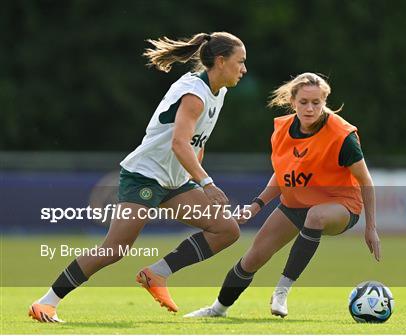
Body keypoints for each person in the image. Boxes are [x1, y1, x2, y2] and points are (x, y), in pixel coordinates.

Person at [29, 32, 248, 323]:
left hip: (174, 180)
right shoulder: (195, 93)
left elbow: (198, 142)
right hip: (145, 176)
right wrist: (207, 183)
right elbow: (179, 144)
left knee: (226, 230)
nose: (244, 69)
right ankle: (46, 303)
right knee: (114, 250)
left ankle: (157, 273)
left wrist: (194, 180)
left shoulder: (218, 92)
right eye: (240, 62)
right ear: (220, 61)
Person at [184, 72, 381, 319]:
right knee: (252, 258)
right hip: (295, 204)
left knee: (316, 216)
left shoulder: (342, 136)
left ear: (325, 101)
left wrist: (370, 227)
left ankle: (281, 291)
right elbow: (282, 175)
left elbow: (365, 180)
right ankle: (217, 309)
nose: (310, 108)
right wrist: (257, 205)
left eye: (317, 103)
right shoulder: (282, 129)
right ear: (293, 101)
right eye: (304, 102)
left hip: (341, 205)